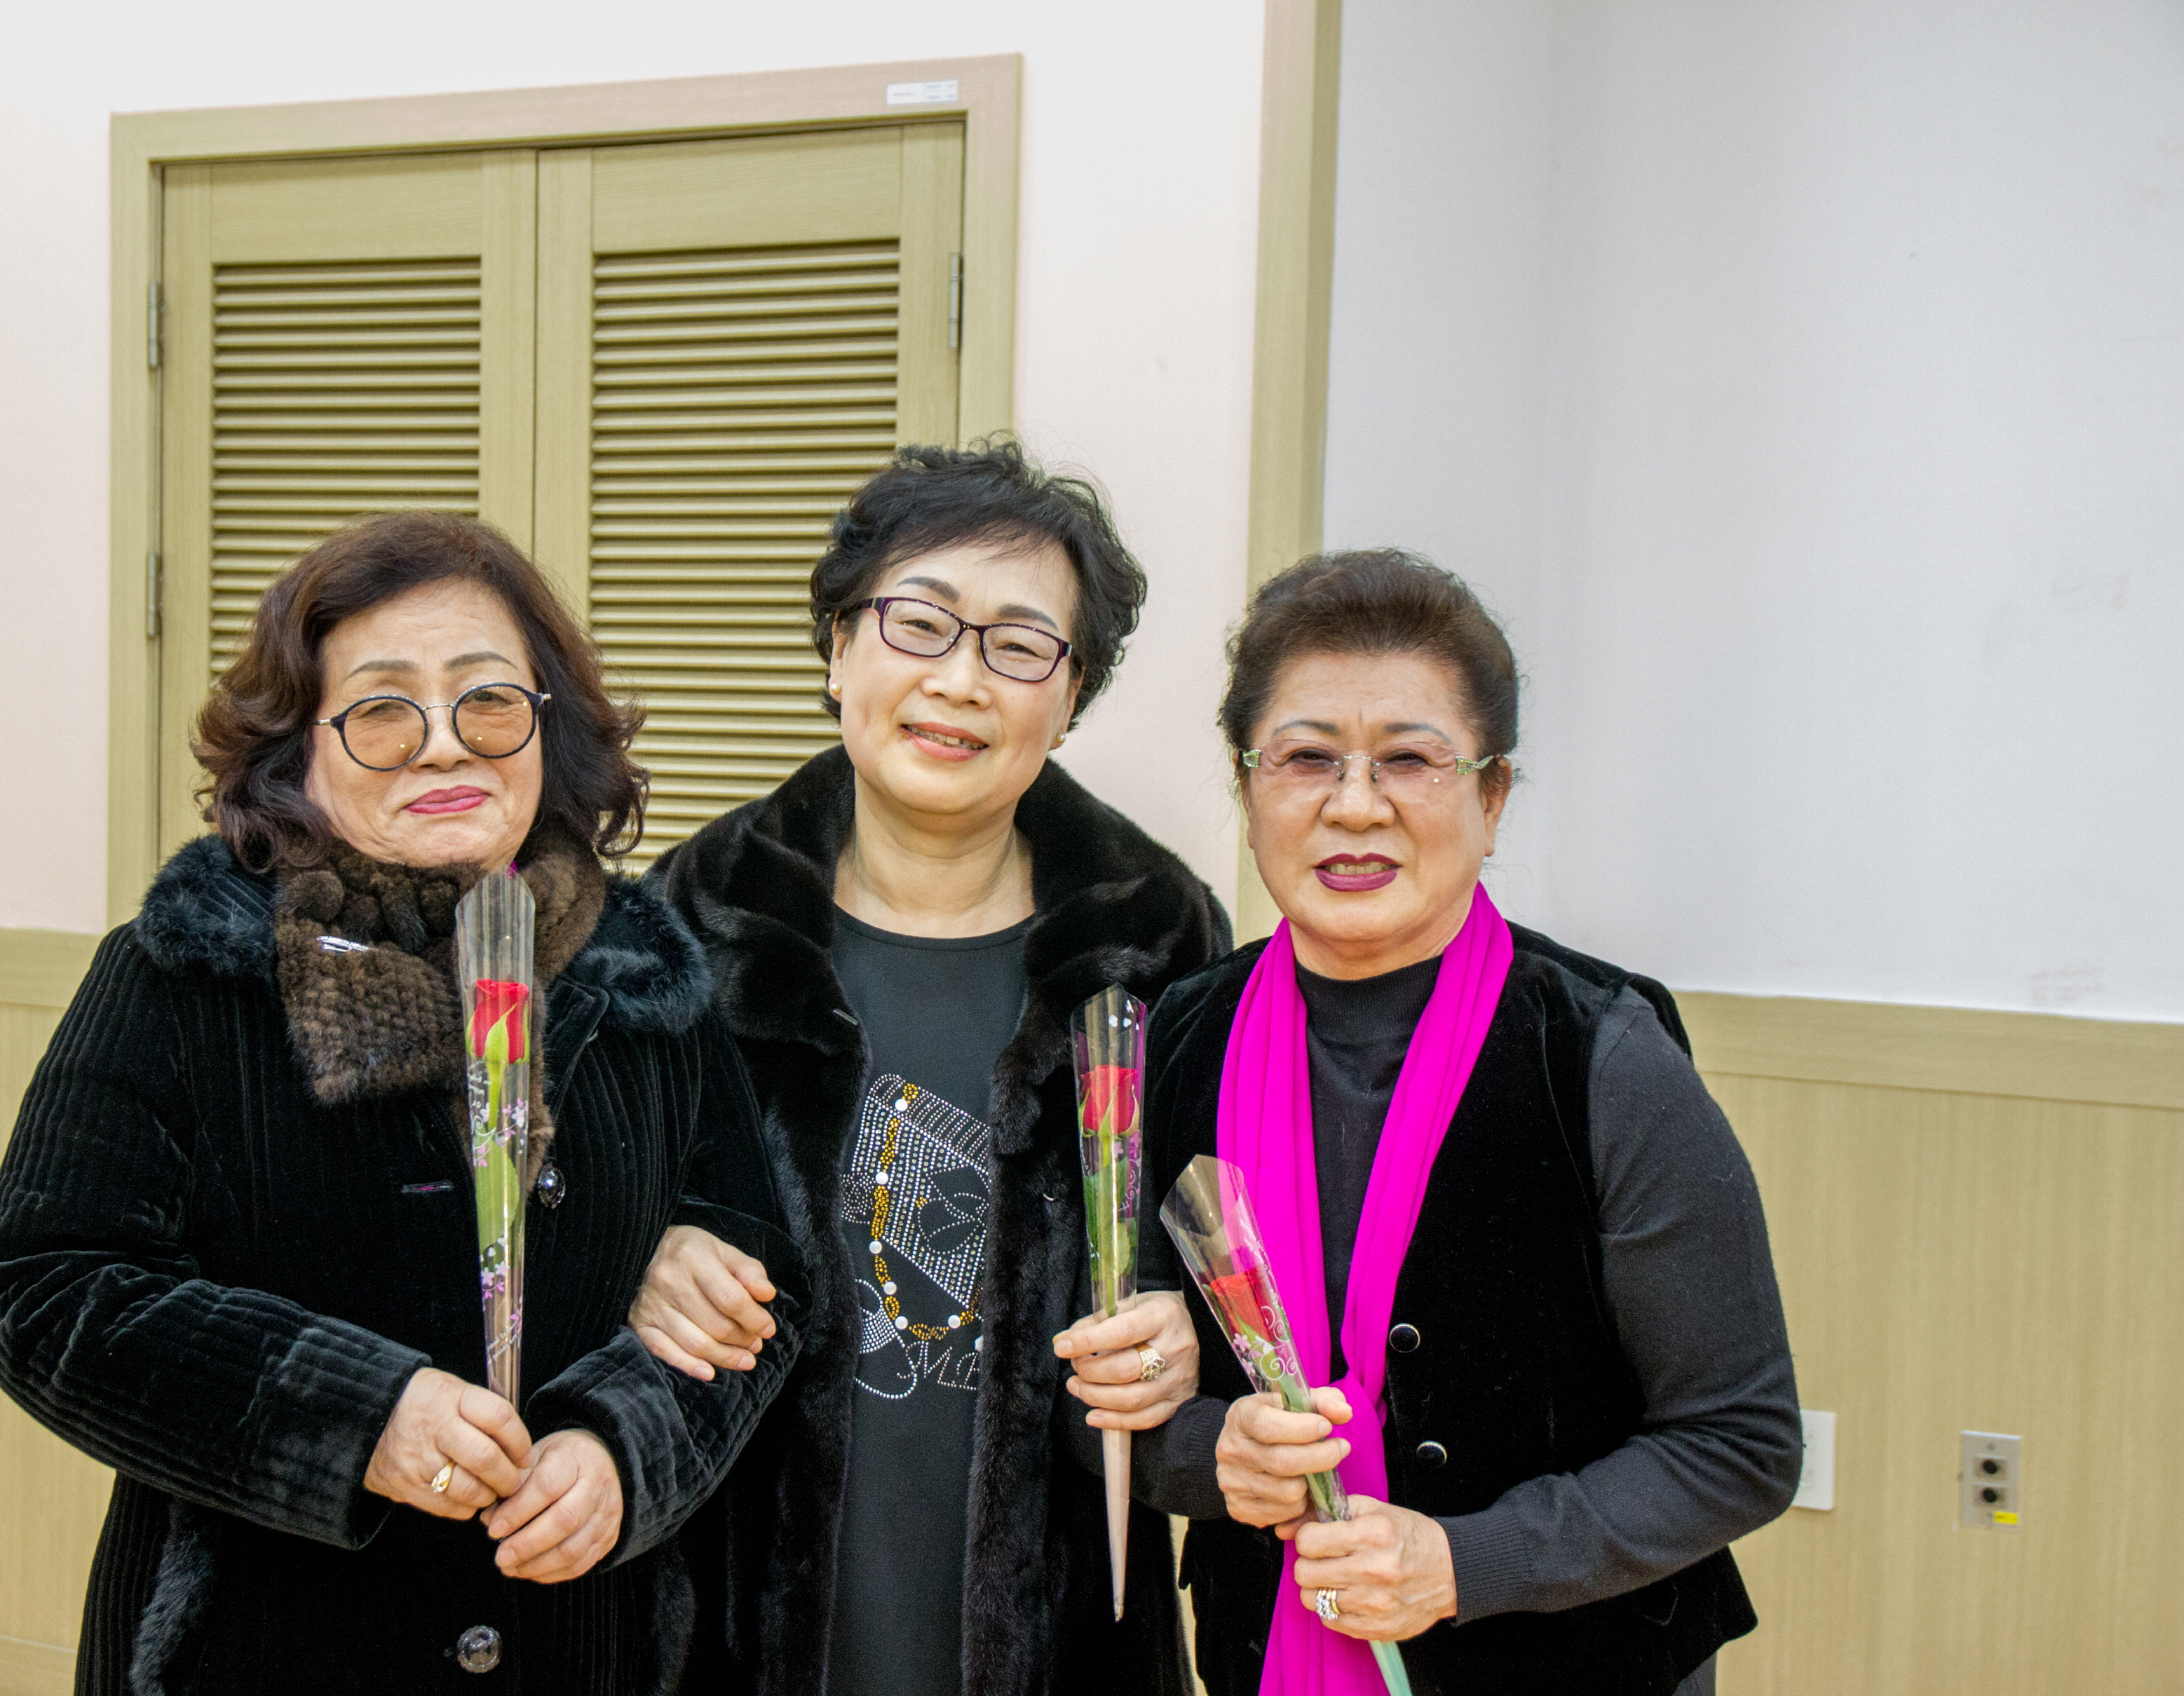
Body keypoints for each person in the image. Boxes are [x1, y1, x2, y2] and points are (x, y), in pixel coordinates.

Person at [0, 512, 806, 1696]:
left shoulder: (642, 977)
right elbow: (44, 1290)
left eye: (488, 701)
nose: (443, 746)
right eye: (380, 710)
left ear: (548, 728)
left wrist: (623, 1449)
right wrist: (358, 1415)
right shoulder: (188, 972)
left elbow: (763, 1287)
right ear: (295, 754)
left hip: (580, 1643)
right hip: (261, 1648)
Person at [1133, 550, 1801, 1696]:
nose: (1354, 805)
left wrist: (1463, 1561)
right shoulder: (1175, 1040)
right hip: (1261, 1653)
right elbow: (1109, 1396)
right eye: (1305, 758)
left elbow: (1738, 1442)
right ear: (1247, 790)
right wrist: (1206, 1454)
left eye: (1410, 759)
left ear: (1491, 799)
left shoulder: (1602, 1054)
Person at [633, 440, 1230, 1696]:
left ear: (1068, 696)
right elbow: (573, 1230)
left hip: (1065, 1636)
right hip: (728, 1627)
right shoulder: (689, 921)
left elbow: (1227, 1246)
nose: (959, 680)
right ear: (837, 648)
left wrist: (1191, 1333)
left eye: (1019, 646)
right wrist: (641, 1257)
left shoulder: (1157, 942)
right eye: (918, 624)